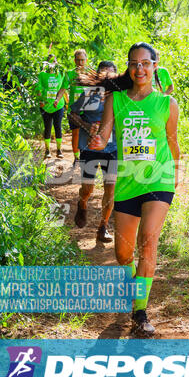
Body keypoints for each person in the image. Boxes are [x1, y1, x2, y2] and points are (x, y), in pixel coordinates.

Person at [89, 42, 180, 335]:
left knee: (148, 241)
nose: (139, 68)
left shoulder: (167, 104)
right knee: (123, 255)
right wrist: (98, 142)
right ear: (129, 67)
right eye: (133, 63)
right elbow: (104, 136)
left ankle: (140, 312)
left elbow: (172, 141)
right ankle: (133, 285)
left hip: (159, 179)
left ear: (155, 65)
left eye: (145, 63)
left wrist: (176, 173)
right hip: (128, 182)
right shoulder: (116, 100)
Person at [72, 61, 118, 243]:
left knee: (110, 188)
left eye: (110, 75)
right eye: (103, 74)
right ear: (98, 76)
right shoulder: (89, 96)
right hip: (89, 148)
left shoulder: (120, 97)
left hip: (112, 149)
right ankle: (82, 203)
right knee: (87, 188)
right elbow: (72, 114)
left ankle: (103, 227)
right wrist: (87, 126)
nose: (106, 78)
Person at [54, 49, 88, 164]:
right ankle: (77, 157)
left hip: (88, 109)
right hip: (74, 110)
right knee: (76, 133)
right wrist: (57, 99)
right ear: (74, 61)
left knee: (88, 134)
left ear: (86, 60)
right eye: (78, 60)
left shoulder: (91, 73)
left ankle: (86, 157)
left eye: (82, 60)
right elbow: (63, 89)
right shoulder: (69, 74)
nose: (80, 63)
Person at [36, 55, 65, 159]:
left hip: (58, 105)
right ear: (46, 64)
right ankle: (47, 150)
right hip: (45, 106)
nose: (52, 64)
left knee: (58, 126)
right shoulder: (42, 75)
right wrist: (41, 101)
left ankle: (59, 150)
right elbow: (38, 89)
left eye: (54, 62)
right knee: (47, 127)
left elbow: (63, 87)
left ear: (57, 63)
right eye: (50, 62)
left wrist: (59, 100)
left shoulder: (61, 74)